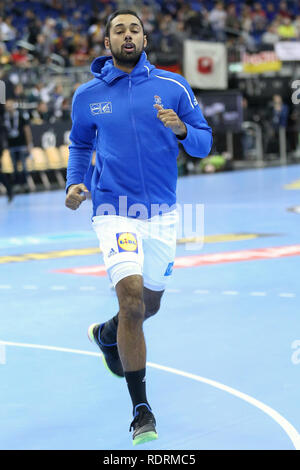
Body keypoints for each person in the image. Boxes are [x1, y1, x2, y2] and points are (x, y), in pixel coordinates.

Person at [65, 9, 212, 446]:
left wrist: (183, 128)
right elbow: (80, 143)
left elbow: (204, 144)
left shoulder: (173, 86)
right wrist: (75, 182)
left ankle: (107, 335)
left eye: (134, 29)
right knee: (131, 302)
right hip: (113, 208)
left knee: (148, 306)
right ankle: (141, 411)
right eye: (118, 30)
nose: (126, 35)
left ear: (144, 39)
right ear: (107, 43)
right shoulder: (88, 95)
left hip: (163, 214)